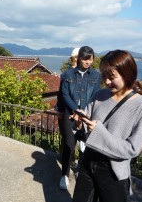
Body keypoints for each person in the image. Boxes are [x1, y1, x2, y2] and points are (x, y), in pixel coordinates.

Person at [72, 50, 142, 202]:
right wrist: (79, 120)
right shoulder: (100, 95)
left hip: (113, 170)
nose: (107, 82)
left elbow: (132, 149)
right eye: (104, 77)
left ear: (127, 74)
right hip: (89, 161)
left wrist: (99, 131)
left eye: (111, 77)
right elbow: (87, 123)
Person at [59, 46, 101, 190]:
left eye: (90, 59)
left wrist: (83, 113)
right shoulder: (67, 74)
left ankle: (80, 171)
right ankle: (64, 174)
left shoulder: (96, 76)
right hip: (69, 114)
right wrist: (76, 109)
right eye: (85, 59)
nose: (88, 62)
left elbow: (95, 95)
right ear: (78, 58)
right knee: (69, 144)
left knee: (85, 147)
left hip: (87, 115)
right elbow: (64, 95)